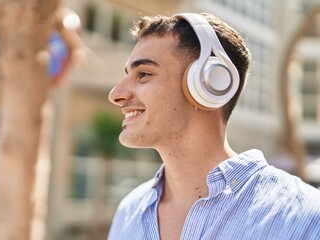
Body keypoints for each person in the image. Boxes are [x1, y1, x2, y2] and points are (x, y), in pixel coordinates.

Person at [107, 12, 320, 240]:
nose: (115, 95)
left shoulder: (306, 216)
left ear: (208, 85)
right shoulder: (128, 212)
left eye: (144, 74)